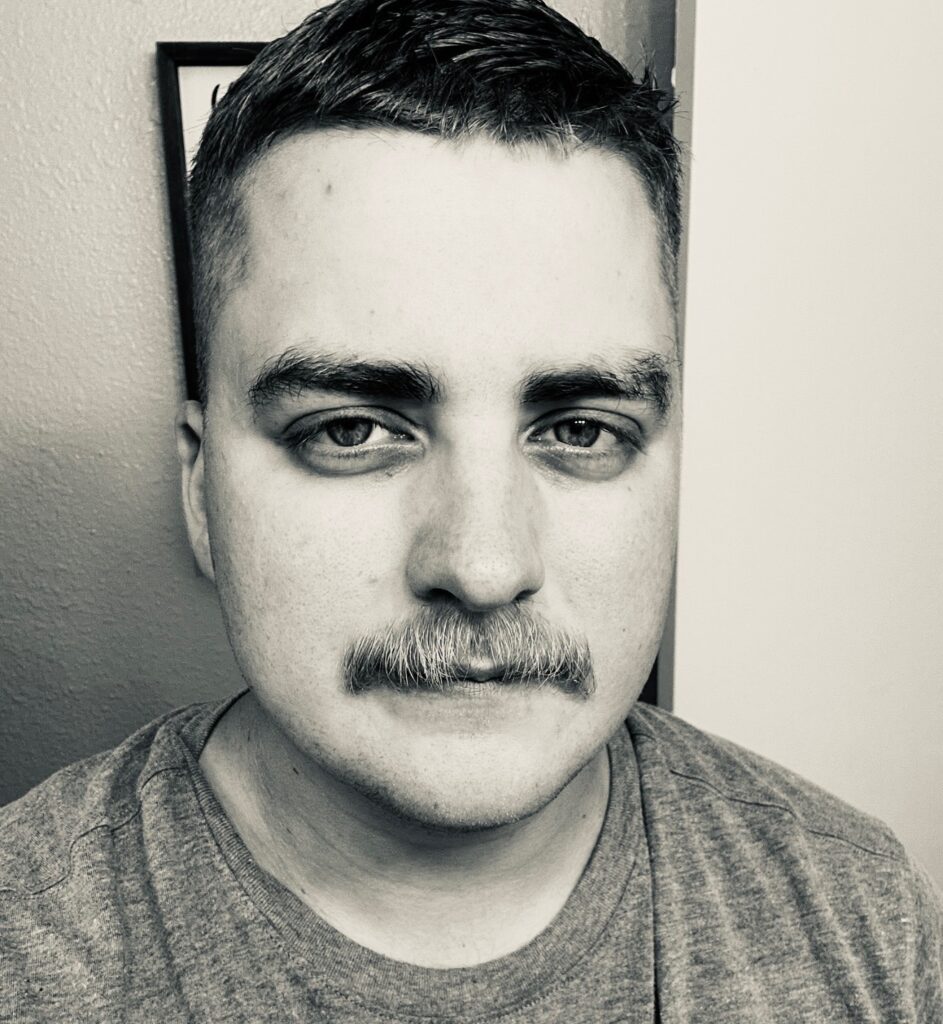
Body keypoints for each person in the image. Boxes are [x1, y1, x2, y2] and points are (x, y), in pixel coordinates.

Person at [1, 0, 940, 1019]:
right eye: (352, 429)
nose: (484, 564)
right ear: (199, 490)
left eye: (579, 429)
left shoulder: (862, 913)